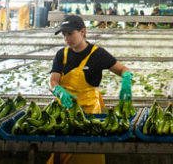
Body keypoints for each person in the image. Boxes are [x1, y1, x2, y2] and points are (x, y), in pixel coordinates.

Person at [48, 16, 132, 164]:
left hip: (90, 115)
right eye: (64, 35)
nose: (67, 38)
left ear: (82, 31)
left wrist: (126, 79)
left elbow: (123, 69)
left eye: (70, 34)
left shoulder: (97, 54)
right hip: (66, 113)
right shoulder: (62, 54)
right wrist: (58, 91)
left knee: (88, 153)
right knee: (62, 153)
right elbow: (53, 80)